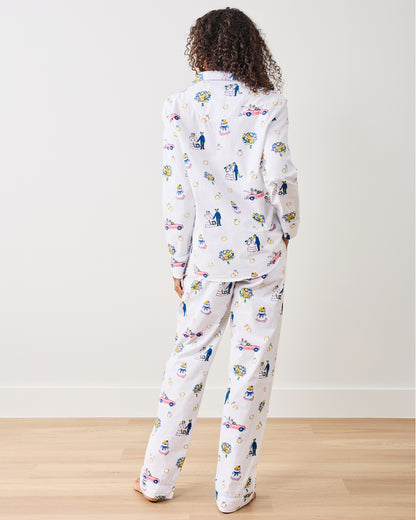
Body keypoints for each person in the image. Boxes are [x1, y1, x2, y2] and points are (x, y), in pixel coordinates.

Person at [133, 6, 300, 514]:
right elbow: (281, 176)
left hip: (206, 258)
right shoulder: (268, 103)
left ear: (200, 49)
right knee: (251, 369)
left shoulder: (179, 107)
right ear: (250, 49)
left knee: (187, 360)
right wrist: (289, 226)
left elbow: (176, 193)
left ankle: (156, 480)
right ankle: (232, 491)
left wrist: (178, 262)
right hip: (262, 255)